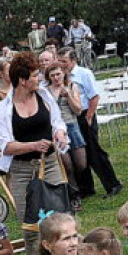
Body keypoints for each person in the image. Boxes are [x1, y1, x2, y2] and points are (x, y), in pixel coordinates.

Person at [0, 52, 68, 255]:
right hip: (22, 170)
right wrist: (33, 145)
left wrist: (59, 133)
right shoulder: (5, 109)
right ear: (22, 80)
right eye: (35, 76)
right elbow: (6, 145)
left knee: (60, 221)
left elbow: (57, 121)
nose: (39, 79)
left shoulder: (44, 96)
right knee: (31, 229)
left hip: (50, 165)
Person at [57, 47, 122, 200]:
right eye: (60, 61)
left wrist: (90, 116)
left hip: (85, 115)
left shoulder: (83, 74)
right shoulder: (62, 76)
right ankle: (86, 187)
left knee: (94, 152)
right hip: (71, 118)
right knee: (79, 154)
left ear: (73, 60)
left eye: (64, 61)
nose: (62, 64)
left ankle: (112, 184)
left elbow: (94, 96)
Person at [44, 62, 85, 212]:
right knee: (66, 165)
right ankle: (74, 197)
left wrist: (68, 96)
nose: (56, 78)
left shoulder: (72, 86)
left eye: (58, 74)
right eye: (52, 75)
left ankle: (81, 188)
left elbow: (78, 110)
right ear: (48, 77)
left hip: (72, 127)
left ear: (64, 74)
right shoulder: (46, 91)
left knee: (81, 164)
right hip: (56, 130)